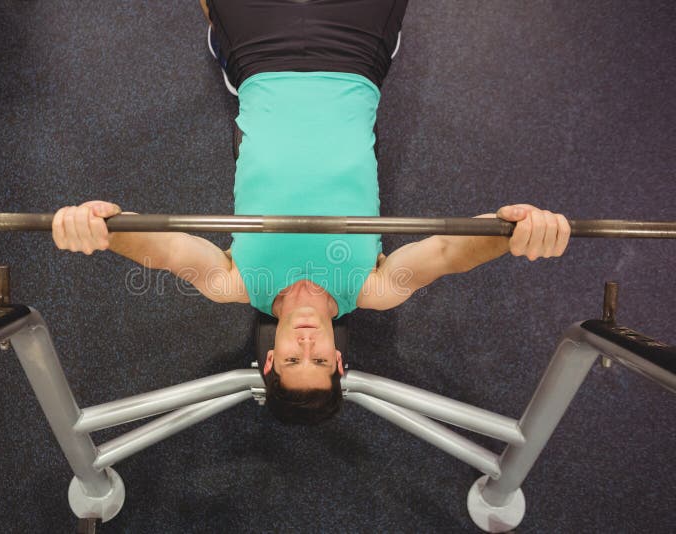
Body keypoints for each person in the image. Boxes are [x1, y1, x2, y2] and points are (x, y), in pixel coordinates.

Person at [51, 1, 571, 424]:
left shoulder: (232, 283)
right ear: (339, 360)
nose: (306, 343)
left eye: (294, 359)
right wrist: (511, 233)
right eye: (320, 360)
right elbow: (446, 251)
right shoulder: (373, 289)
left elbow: (162, 248)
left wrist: (104, 228)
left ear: (270, 359)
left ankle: (221, 48)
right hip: (354, 60)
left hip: (261, 63)